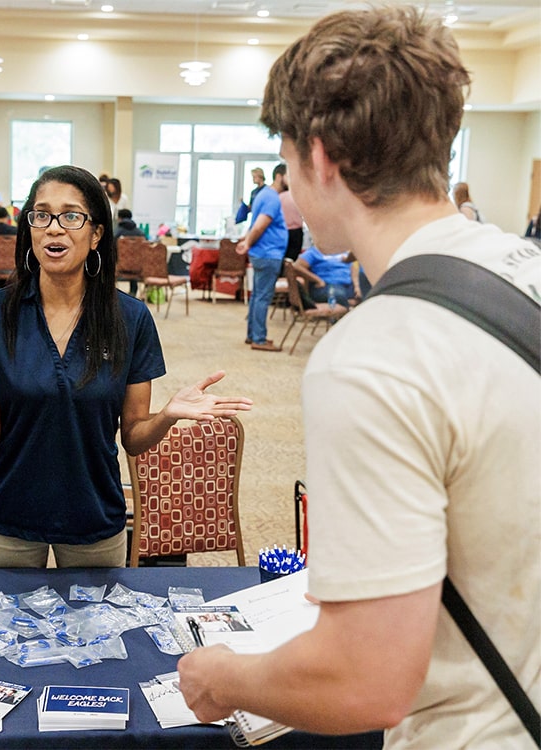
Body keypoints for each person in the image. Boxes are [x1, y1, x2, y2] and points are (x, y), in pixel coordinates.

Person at [178, 8, 539, 748]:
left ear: (321, 157)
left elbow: (365, 678)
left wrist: (222, 677)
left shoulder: (374, 353)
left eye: (286, 159)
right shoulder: (524, 270)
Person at [0, 165, 252, 569]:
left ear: (96, 235)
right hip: (9, 515)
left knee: (97, 631)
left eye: (71, 216)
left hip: (93, 515)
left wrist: (167, 416)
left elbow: (135, 438)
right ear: (30, 229)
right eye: (42, 215)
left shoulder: (130, 319)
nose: (54, 228)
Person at [237, 164, 288, 351]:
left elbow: (255, 225)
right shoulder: (272, 198)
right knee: (262, 297)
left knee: (257, 296)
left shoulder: (263, 194)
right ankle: (259, 338)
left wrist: (247, 241)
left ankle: (253, 335)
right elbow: (259, 225)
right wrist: (248, 242)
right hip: (268, 253)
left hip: (263, 252)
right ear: (280, 176)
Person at [293, 246, 361, 307]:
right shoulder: (314, 251)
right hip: (326, 286)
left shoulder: (344, 250)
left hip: (347, 285)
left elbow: (353, 268)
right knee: (339, 296)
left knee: (367, 294)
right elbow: (297, 266)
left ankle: (347, 307)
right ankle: (344, 313)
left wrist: (357, 286)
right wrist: (317, 280)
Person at [115, 208, 148, 297]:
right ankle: (134, 291)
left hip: (120, 266)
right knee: (133, 261)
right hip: (138, 267)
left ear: (119, 218)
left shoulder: (117, 231)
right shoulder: (139, 232)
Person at [279, 179, 304, 261]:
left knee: (283, 257)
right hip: (297, 231)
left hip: (283, 230)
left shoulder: (279, 197)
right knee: (293, 258)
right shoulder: (298, 197)